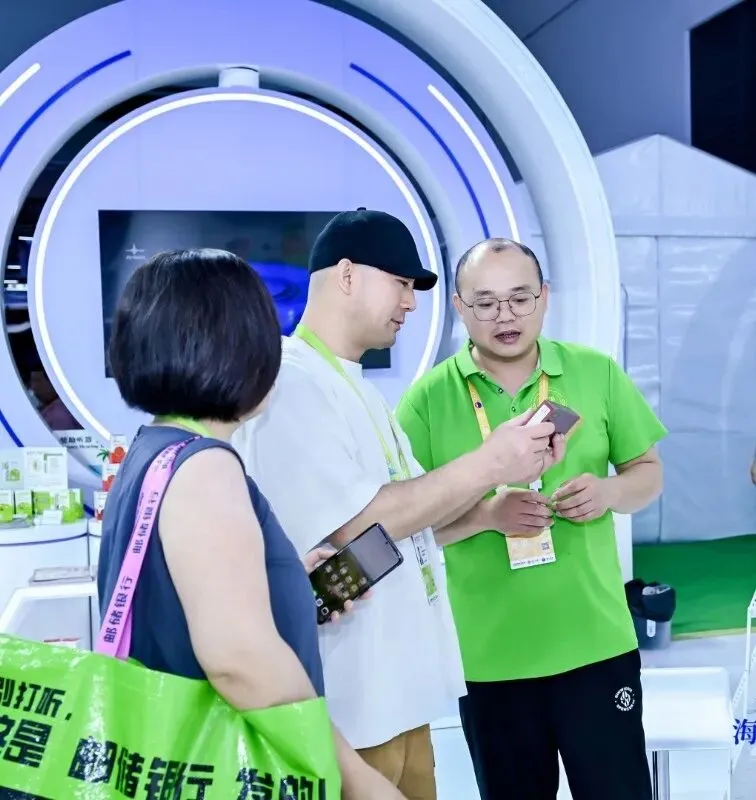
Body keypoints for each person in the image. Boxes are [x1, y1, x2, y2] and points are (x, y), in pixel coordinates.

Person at [233, 211, 564, 799]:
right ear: (346, 275)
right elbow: (355, 527)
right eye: (401, 283)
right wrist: (490, 463)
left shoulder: (356, 387)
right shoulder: (291, 383)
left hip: (399, 699)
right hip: (349, 708)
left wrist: (490, 500)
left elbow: (401, 530)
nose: (410, 303)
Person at [98, 248, 403, 800]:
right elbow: (240, 661)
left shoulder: (154, 451)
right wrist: (358, 780)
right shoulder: (206, 467)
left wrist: (283, 583)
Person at [395, 238, 667, 800]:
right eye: (486, 302)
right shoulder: (426, 401)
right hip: (490, 658)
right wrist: (485, 516)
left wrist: (609, 492)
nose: (506, 316)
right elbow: (404, 529)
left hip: (596, 643)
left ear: (544, 297)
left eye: (520, 298)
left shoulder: (594, 373)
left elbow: (648, 473)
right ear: (460, 306)